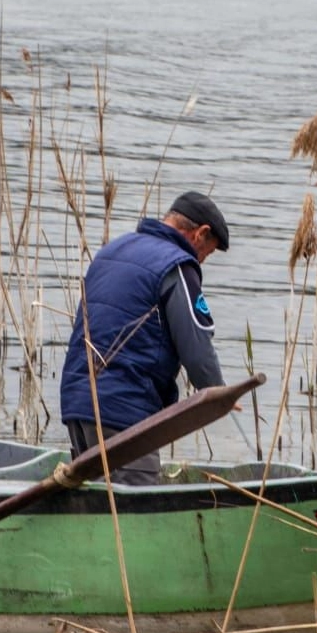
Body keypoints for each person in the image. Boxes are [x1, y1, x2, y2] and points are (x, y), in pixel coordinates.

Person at [60, 191, 232, 485]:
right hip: (124, 413)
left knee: (98, 508)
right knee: (136, 509)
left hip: (77, 403)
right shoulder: (177, 266)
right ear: (200, 234)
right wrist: (218, 395)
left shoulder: (112, 250)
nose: (202, 260)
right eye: (208, 252)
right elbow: (196, 346)